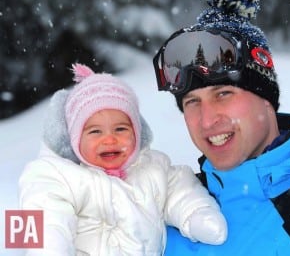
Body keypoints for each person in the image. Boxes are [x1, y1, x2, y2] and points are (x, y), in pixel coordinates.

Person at [153, 0, 290, 255]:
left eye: (223, 94)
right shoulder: (170, 206)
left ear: (265, 99)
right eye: (192, 102)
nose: (207, 120)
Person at [18, 63, 227, 255]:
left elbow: (181, 189)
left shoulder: (153, 167)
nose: (110, 139)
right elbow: (40, 215)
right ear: (75, 139)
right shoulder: (54, 174)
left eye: (120, 129)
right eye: (95, 132)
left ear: (136, 132)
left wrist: (198, 214)